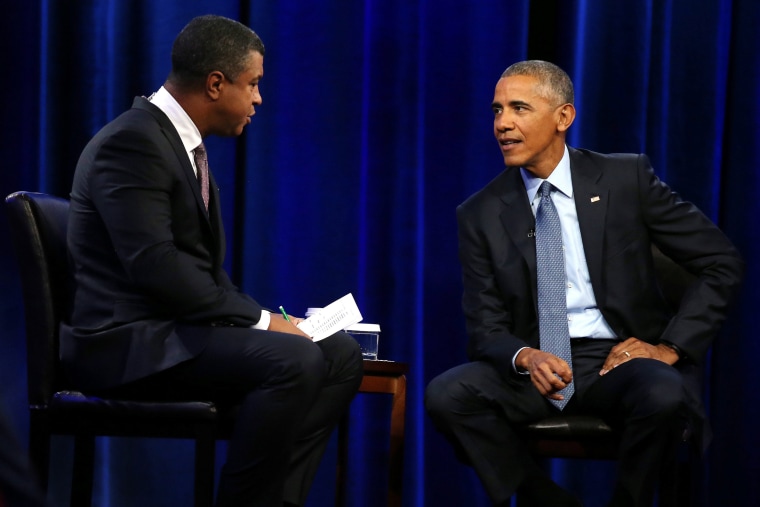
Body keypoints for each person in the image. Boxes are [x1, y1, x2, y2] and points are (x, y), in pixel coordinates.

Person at [61, 15, 363, 507]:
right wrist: (263, 322)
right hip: (129, 344)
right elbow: (155, 266)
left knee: (340, 355)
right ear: (217, 84)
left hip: (176, 332)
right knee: (295, 359)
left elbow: (198, 273)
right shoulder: (133, 142)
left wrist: (266, 322)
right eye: (255, 84)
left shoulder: (179, 145)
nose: (259, 99)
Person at [425, 60, 744, 507]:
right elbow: (485, 328)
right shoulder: (480, 213)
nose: (503, 123)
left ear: (563, 117)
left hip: (619, 358)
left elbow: (720, 261)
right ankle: (544, 499)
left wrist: (670, 347)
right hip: (540, 365)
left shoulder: (625, 178)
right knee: (448, 393)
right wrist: (525, 355)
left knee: (665, 394)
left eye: (519, 108)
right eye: (497, 110)